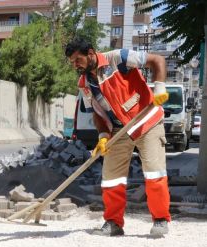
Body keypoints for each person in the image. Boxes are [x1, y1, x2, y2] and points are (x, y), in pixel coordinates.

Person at [65, 38, 171, 237]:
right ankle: (113, 223)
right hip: (118, 130)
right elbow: (97, 113)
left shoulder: (119, 58)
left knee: (154, 173)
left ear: (90, 53)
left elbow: (157, 60)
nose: (75, 65)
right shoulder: (84, 83)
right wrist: (103, 135)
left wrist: (159, 88)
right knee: (111, 179)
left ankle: (160, 219)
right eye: (72, 62)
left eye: (77, 60)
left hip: (147, 121)